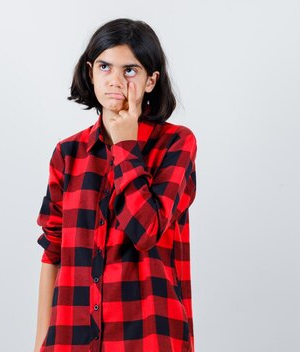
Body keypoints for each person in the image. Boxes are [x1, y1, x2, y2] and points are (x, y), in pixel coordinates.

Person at [34, 18, 198, 352]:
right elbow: (53, 254)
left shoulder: (176, 144)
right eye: (106, 66)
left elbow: (146, 231)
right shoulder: (68, 153)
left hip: (148, 338)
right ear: (91, 71)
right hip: (70, 340)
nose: (116, 81)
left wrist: (126, 146)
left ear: (151, 80)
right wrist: (40, 343)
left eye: (130, 70)